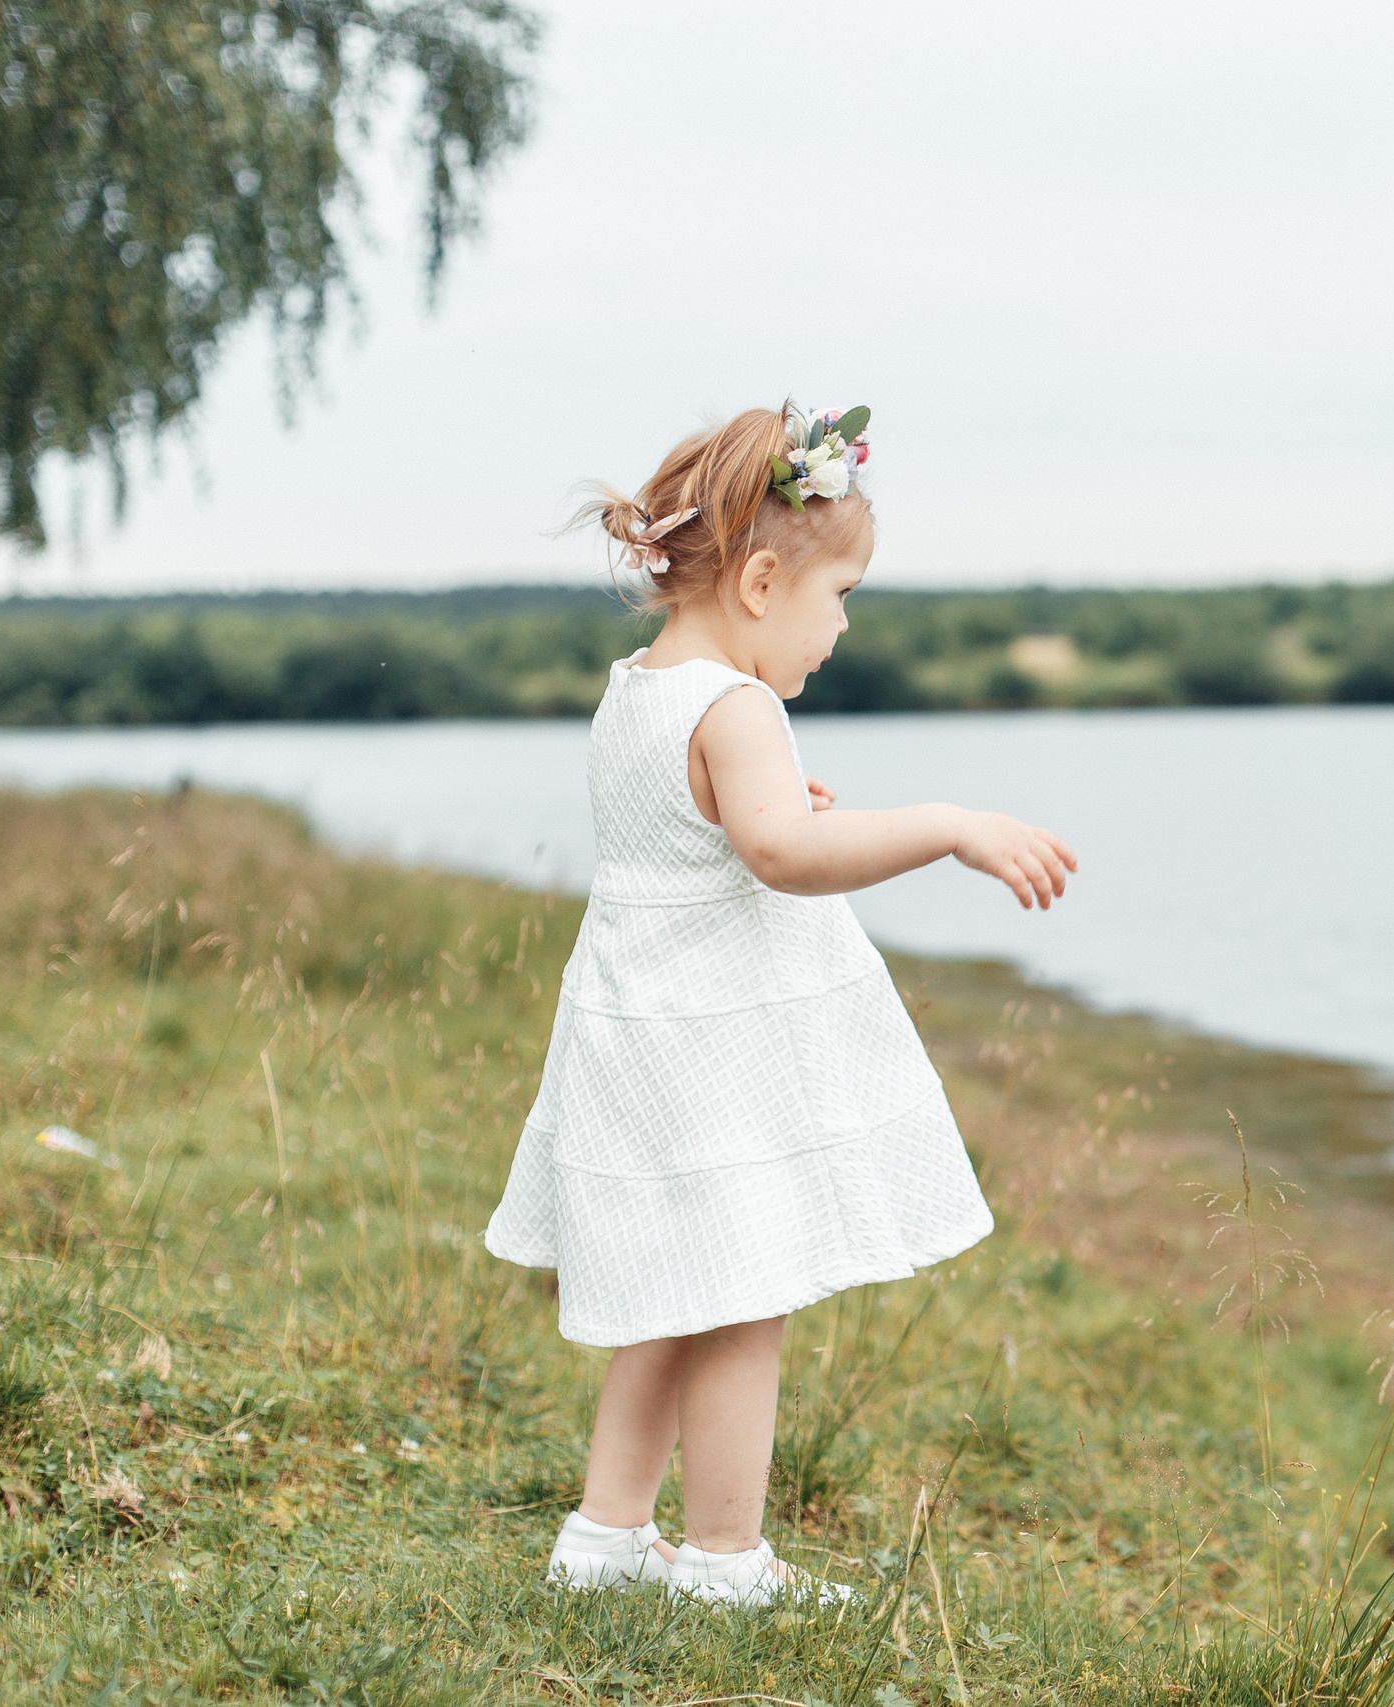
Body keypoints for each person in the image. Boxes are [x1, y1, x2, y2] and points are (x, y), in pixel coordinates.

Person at [482, 403, 1076, 1606]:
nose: (845, 623)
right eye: (842, 593)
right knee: (744, 1298)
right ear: (760, 579)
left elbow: (686, 825)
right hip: (710, 1051)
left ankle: (603, 1540)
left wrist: (769, 804)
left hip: (635, 1031)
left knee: (668, 1289)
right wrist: (948, 825)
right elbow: (782, 856)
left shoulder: (639, 688)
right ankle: (723, 1560)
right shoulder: (739, 706)